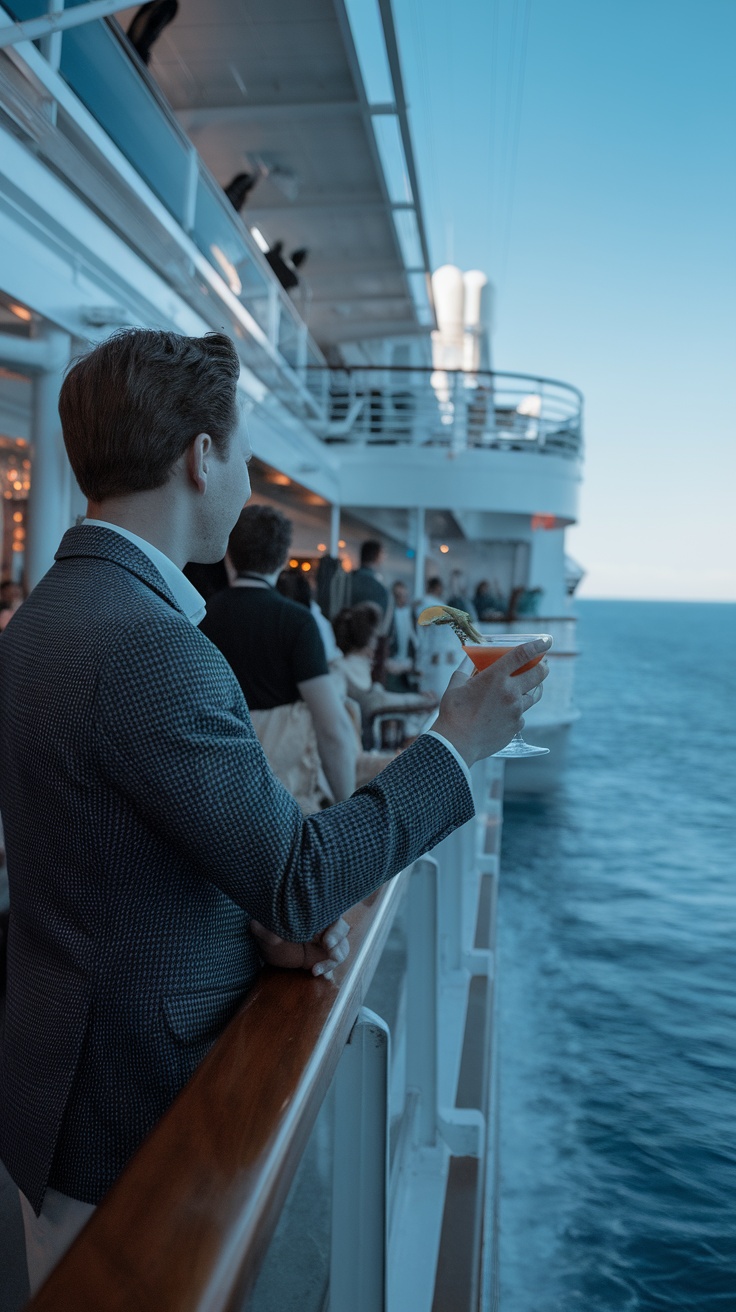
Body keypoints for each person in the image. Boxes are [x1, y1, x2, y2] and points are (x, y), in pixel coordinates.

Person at [0, 328, 549, 1292]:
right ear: (199, 455)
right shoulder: (149, 646)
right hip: (128, 1102)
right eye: (243, 450)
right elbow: (300, 882)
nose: (249, 477)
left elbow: (111, 853)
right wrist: (457, 743)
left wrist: (247, 924)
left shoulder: (47, 610)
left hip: (55, 1077)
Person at [202, 506, 355, 814]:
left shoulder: (200, 615)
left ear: (229, 554)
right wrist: (347, 807)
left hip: (215, 791)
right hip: (281, 797)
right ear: (284, 557)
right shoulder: (296, 622)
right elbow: (332, 728)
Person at [333, 602, 436, 748]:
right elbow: (378, 701)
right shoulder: (343, 669)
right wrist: (421, 701)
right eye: (375, 637)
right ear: (367, 639)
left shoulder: (352, 667)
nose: (376, 644)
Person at [415, 576, 463, 699]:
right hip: (435, 653)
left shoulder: (432, 603)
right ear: (438, 588)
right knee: (435, 690)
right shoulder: (429, 603)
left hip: (437, 652)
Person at [385, 579, 416, 693]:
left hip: (407, 666)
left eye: (404, 595)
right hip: (391, 665)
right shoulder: (389, 614)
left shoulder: (410, 613)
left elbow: (414, 639)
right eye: (398, 595)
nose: (402, 599)